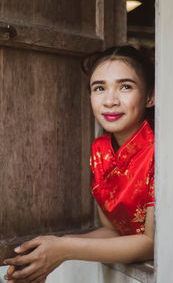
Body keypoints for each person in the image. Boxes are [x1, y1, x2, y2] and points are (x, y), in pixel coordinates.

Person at [3, 45, 155, 283]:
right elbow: (112, 230)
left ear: (150, 96)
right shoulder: (100, 150)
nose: (110, 100)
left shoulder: (163, 151)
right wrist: (50, 252)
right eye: (99, 88)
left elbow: (150, 243)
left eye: (125, 86)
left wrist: (64, 249)